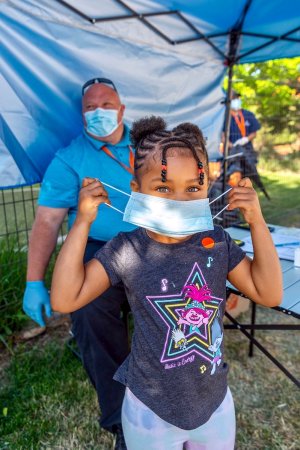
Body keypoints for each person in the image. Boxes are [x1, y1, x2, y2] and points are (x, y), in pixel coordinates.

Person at [51, 116, 282, 450]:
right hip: (150, 409)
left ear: (207, 187)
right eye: (163, 188)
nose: (179, 200)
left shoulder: (217, 243)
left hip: (214, 403)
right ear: (136, 189)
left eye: (193, 188)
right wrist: (83, 222)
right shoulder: (127, 249)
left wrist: (257, 222)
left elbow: (269, 292)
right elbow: (65, 299)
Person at [23, 77, 136, 449]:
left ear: (122, 109)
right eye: (90, 107)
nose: (99, 111)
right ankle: (123, 421)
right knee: (89, 310)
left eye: (107, 104)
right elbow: (48, 221)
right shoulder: (70, 159)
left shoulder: (153, 144)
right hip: (99, 247)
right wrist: (33, 281)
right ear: (82, 115)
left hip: (154, 241)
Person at [221, 89, 261, 187]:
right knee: (234, 176)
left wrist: (246, 139)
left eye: (237, 97)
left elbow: (254, 132)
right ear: (228, 101)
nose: (236, 100)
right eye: (233, 98)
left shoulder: (248, 114)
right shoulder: (224, 117)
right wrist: (231, 145)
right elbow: (222, 135)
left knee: (248, 176)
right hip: (231, 153)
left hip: (247, 151)